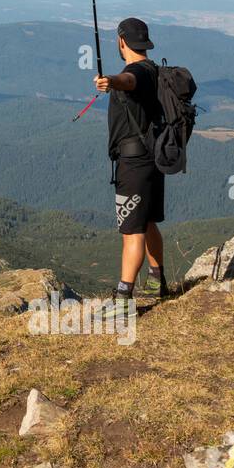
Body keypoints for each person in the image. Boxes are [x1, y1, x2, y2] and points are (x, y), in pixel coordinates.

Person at [94, 17, 168, 310]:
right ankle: (156, 282)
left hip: (134, 162)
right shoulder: (154, 69)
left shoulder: (135, 72)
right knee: (147, 221)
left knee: (131, 230)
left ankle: (123, 300)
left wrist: (111, 81)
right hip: (153, 158)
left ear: (122, 41)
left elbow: (128, 81)